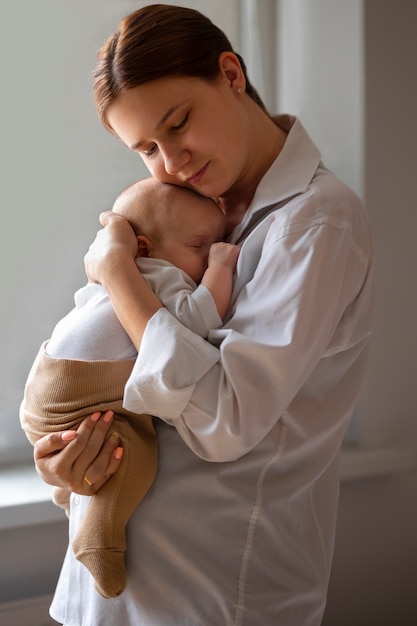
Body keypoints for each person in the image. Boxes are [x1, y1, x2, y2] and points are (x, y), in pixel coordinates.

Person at [31, 4, 374, 625]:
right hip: (103, 595)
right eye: (147, 149)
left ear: (231, 74)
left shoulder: (316, 222)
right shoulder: (174, 213)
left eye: (179, 123)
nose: (171, 161)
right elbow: (120, 375)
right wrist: (73, 462)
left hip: (217, 591)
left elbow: (226, 419)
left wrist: (118, 275)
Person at [20, 176, 239, 599]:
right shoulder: (160, 275)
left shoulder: (112, 275)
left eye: (216, 244)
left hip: (45, 388)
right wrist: (222, 268)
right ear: (144, 248)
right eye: (199, 247)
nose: (209, 253)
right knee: (133, 454)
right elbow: (196, 323)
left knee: (96, 449)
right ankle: (97, 538)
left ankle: (69, 497)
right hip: (87, 390)